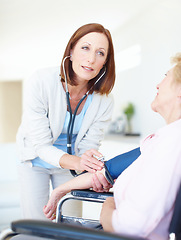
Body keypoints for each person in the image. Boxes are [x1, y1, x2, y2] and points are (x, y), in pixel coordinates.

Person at [43, 53, 181, 240]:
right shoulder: (160, 140)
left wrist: (109, 204)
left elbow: (129, 229)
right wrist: (61, 189)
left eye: (166, 76)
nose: (158, 84)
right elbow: (109, 169)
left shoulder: (169, 147)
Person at [16, 23, 116, 220]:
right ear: (71, 50)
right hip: (35, 160)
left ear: (105, 61)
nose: (91, 59)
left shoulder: (104, 100)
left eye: (100, 53)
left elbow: (89, 145)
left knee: (70, 223)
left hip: (70, 166)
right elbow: (41, 145)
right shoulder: (41, 82)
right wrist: (80, 162)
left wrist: (90, 166)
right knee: (37, 223)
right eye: (85, 48)